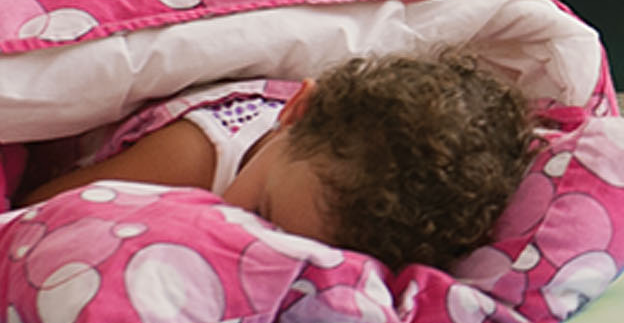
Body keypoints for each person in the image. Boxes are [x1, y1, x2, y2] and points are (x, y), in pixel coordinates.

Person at [16, 50, 539, 272]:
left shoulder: (335, 193)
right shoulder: (195, 155)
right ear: (295, 110)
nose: (258, 243)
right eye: (263, 214)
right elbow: (36, 212)